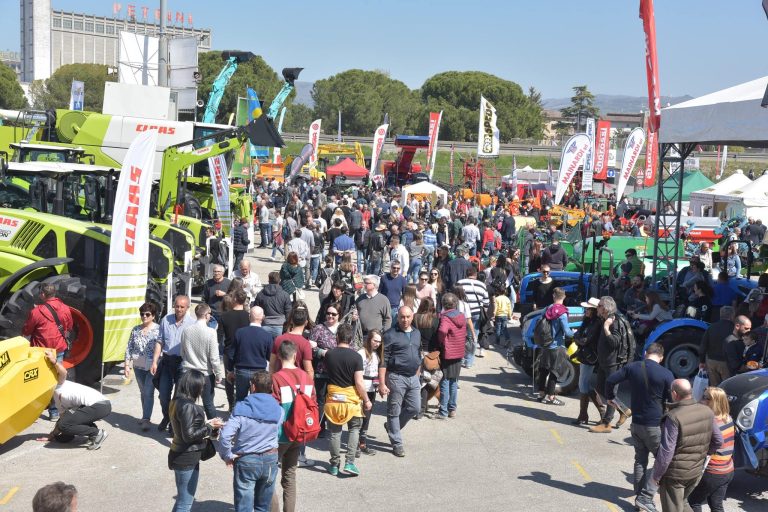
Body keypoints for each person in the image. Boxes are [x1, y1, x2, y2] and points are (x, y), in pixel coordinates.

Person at [636, 379, 723, 512]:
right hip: (696, 471)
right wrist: (703, 455)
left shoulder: (674, 416)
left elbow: (666, 452)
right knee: (682, 503)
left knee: (674, 507)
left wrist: (656, 477)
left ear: (675, 394)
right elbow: (718, 441)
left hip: (675, 476)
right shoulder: (707, 411)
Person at [605, 343, 674, 506]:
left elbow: (610, 379)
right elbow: (671, 401)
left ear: (645, 353)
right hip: (655, 425)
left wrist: (611, 398)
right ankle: (646, 497)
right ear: (662, 357)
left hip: (636, 424)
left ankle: (639, 496)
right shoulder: (666, 374)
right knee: (663, 462)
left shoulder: (632, 367)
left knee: (640, 460)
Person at [218, 371, 284, 512]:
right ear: (270, 387)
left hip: (246, 460)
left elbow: (225, 436)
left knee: (244, 507)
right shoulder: (279, 410)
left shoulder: (241, 408)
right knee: (263, 507)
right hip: (270, 459)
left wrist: (227, 455)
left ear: (253, 387)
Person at [168, 370, 224, 512]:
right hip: (186, 458)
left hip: (180, 454)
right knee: (185, 503)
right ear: (194, 386)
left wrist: (206, 425)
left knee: (182, 500)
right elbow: (189, 435)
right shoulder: (189, 406)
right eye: (202, 386)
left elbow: (186, 430)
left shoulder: (176, 401)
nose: (203, 389)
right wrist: (209, 427)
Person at [271, 341, 316, 512]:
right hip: (300, 432)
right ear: (295, 355)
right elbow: (313, 403)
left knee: (269, 477)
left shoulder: (276, 378)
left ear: (280, 356)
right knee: (290, 476)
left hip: (281, 434)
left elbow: (274, 409)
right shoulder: (306, 377)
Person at [323, 324, 371, 476]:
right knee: (354, 429)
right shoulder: (356, 357)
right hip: (351, 400)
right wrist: (367, 400)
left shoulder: (329, 354)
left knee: (335, 433)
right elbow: (359, 383)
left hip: (333, 399)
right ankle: (349, 463)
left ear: (337, 337)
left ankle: (334, 464)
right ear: (350, 340)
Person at [37, 351, 111, 450]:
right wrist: (52, 435)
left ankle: (97, 434)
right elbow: (63, 417)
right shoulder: (56, 398)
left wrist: (54, 362)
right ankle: (92, 433)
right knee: (63, 435)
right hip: (94, 407)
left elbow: (63, 372)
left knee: (64, 425)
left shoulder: (59, 384)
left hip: (100, 405)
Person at [22, 283, 74, 420]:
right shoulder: (65, 308)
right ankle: (55, 412)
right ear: (54, 294)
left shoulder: (37, 311)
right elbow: (69, 326)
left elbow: (27, 330)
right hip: (58, 349)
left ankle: (33, 411)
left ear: (43, 295)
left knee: (37, 381)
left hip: (41, 352)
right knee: (56, 381)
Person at [378, 306, 422, 458]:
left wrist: (418, 372)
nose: (405, 320)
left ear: (412, 316)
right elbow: (383, 360)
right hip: (396, 377)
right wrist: (382, 383)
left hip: (413, 377)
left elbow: (418, 353)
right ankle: (397, 443)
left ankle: (391, 427)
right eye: (402, 317)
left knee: (415, 408)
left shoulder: (417, 333)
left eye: (408, 317)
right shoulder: (390, 335)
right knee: (394, 411)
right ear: (398, 317)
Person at [685, 387, 736, 512]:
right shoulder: (728, 418)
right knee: (716, 504)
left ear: (714, 402)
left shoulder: (711, 423)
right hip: (727, 470)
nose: (701, 399)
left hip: (713, 472)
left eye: (705, 398)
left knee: (694, 502)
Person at [590, 296, 634, 433]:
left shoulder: (613, 321)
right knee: (599, 387)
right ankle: (624, 410)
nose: (597, 308)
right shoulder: (606, 318)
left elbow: (615, 343)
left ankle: (606, 423)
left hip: (613, 362)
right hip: (605, 362)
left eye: (599, 306)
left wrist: (606, 328)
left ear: (606, 308)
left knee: (610, 392)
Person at [152, 294, 195, 434]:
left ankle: (174, 423)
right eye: (177, 306)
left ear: (187, 308)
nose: (179, 309)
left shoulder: (192, 324)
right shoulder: (166, 320)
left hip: (183, 363)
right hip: (167, 361)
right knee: (164, 394)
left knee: (178, 397)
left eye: (182, 307)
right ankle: (167, 417)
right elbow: (160, 341)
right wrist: (154, 361)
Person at [180, 303, 225, 419]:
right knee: (209, 404)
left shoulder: (186, 330)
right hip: (205, 374)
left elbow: (182, 352)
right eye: (210, 314)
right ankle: (214, 432)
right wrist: (219, 374)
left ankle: (185, 428)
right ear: (206, 315)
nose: (210, 316)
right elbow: (214, 358)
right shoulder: (211, 332)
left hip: (188, 372)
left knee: (188, 404)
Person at [124, 302, 160, 431]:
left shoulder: (158, 330)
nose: (144, 316)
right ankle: (145, 415)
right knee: (143, 392)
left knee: (149, 392)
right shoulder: (136, 329)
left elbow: (161, 348)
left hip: (152, 367)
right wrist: (127, 365)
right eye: (142, 314)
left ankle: (146, 419)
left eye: (147, 314)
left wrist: (156, 362)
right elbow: (129, 347)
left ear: (153, 316)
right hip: (138, 366)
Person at [537, 287, 575, 406]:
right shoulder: (563, 313)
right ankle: (551, 397)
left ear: (554, 296)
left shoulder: (547, 309)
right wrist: (574, 332)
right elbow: (567, 332)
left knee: (543, 369)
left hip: (545, 344)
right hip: (556, 346)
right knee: (554, 372)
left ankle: (541, 394)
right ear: (564, 297)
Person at [572, 298, 604, 425]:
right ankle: (585, 414)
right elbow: (580, 336)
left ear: (594, 310)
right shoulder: (588, 321)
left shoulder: (596, 323)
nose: (585, 311)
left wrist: (577, 338)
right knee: (584, 384)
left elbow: (585, 340)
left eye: (588, 309)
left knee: (583, 384)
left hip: (590, 356)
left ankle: (586, 414)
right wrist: (578, 338)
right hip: (585, 355)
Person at [231, 307, 273, 402]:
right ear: (263, 317)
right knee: (258, 400)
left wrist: (230, 369)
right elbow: (269, 356)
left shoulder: (239, 332)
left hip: (241, 371)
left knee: (240, 400)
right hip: (259, 372)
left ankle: (239, 415)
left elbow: (232, 353)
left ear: (249, 317)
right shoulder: (267, 336)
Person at [435, 293, 466, 419]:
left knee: (445, 381)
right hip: (459, 352)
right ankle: (452, 409)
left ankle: (443, 411)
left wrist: (440, 341)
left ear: (443, 304)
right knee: (454, 381)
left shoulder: (445, 317)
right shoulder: (461, 316)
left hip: (448, 352)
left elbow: (442, 331)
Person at [269, 305, 314, 380]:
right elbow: (309, 370)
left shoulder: (278, 339)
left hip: (280, 380)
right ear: (306, 322)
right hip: (298, 383)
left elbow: (272, 364)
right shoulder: (305, 343)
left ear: (292, 321)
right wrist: (310, 387)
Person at [357, 330, 383, 454]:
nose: (377, 344)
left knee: (367, 417)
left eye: (379, 341)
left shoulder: (377, 354)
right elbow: (358, 374)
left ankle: (362, 442)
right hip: (363, 388)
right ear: (369, 340)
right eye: (375, 341)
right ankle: (356, 444)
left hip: (372, 388)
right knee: (359, 416)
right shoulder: (362, 353)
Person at [698, 306, 735, 386]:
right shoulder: (734, 328)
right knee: (727, 387)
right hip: (726, 363)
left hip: (711, 361)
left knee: (714, 387)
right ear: (732, 315)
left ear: (720, 315)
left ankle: (714, 399)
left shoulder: (711, 327)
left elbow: (703, 346)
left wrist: (702, 361)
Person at [255, 271, 292, 340]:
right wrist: (287, 327)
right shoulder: (285, 295)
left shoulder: (261, 294)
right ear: (279, 280)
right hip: (280, 326)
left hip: (265, 325)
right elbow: (288, 313)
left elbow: (256, 310)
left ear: (269, 280)